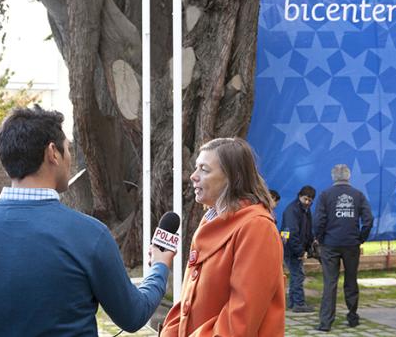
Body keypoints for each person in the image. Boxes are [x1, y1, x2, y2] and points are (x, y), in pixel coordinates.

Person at [0, 106, 174, 336]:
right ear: (53, 153)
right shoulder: (90, 234)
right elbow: (133, 315)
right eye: (69, 148)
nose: (71, 158)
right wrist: (159, 266)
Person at [160, 137, 285, 336]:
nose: (193, 176)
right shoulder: (210, 220)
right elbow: (188, 301)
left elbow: (239, 322)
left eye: (204, 169)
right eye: (196, 168)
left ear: (232, 177)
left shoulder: (257, 227)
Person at [313, 164, 374, 332]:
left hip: (330, 245)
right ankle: (353, 318)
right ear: (348, 176)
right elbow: (368, 219)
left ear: (333, 177)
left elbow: (319, 221)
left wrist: (320, 238)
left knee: (330, 283)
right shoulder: (358, 195)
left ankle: (325, 323)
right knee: (351, 281)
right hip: (351, 244)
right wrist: (361, 238)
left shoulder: (325, 195)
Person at [280, 185, 316, 313]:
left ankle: (292, 302)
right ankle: (299, 304)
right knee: (298, 275)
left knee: (296, 275)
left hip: (294, 248)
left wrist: (310, 244)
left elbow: (308, 230)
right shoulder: (293, 210)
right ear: (300, 196)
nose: (307, 202)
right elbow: (291, 234)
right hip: (291, 249)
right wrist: (300, 251)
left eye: (310, 201)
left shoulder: (305, 210)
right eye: (305, 199)